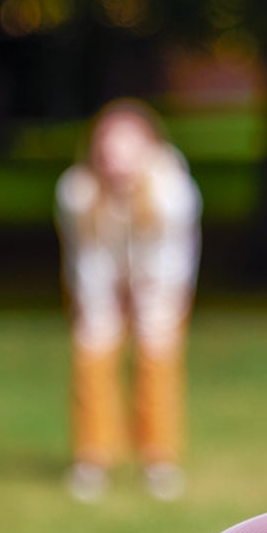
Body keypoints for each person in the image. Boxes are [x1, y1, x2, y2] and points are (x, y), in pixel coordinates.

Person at [55, 99, 202, 502]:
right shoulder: (77, 191)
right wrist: (102, 306)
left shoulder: (173, 191)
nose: (116, 159)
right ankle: (92, 458)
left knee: (157, 359)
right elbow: (86, 258)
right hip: (99, 282)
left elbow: (173, 258)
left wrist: (148, 301)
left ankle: (159, 459)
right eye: (108, 148)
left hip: (160, 283)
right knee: (92, 354)